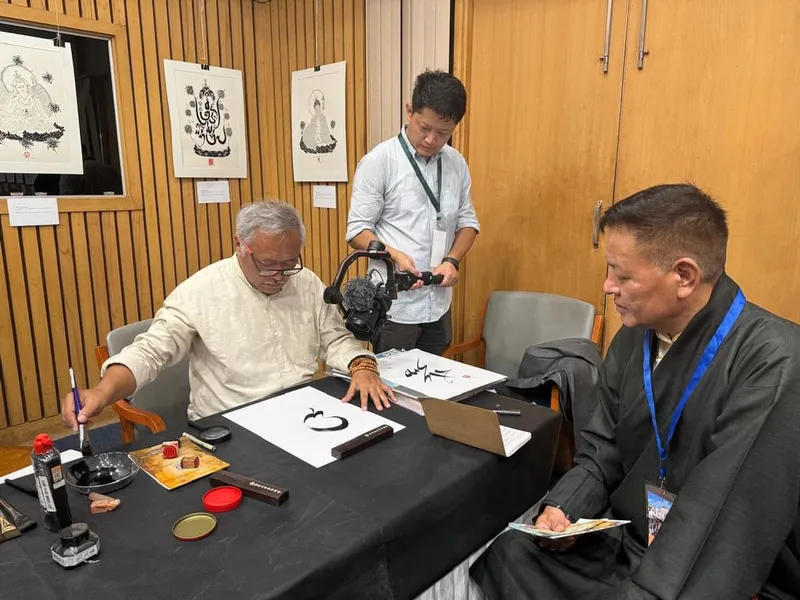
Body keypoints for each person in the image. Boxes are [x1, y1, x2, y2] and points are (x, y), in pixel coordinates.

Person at [471, 184, 800, 600]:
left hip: (707, 564)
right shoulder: (635, 336)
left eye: (622, 275)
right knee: (513, 551)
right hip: (633, 539)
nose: (607, 287)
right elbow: (603, 448)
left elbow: (727, 521)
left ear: (684, 276)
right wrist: (567, 507)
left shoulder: (773, 359)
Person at [61, 200, 395, 430]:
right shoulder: (202, 291)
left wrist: (360, 365)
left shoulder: (305, 282)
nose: (279, 275)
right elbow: (151, 351)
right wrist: (101, 393)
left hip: (302, 413)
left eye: (289, 264)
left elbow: (334, 338)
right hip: (232, 425)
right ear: (240, 245)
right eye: (267, 264)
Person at [346, 70, 480, 356]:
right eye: (424, 127)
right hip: (395, 306)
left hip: (439, 302)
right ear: (410, 111)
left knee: (432, 386)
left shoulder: (457, 164)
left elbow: (468, 223)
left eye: (443, 133)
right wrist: (394, 255)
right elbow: (357, 231)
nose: (431, 139)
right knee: (394, 391)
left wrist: (452, 261)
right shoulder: (380, 162)